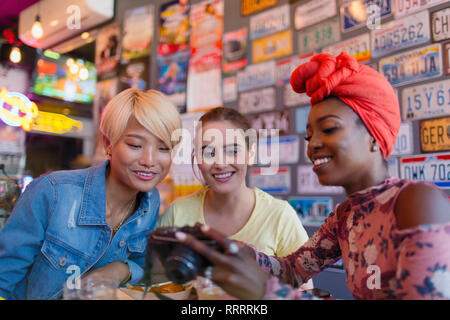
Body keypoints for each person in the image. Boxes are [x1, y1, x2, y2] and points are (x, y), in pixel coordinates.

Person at [173, 51, 450, 300]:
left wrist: (264, 292)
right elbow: (291, 270)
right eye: (309, 135)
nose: (313, 144)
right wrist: (228, 250)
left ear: (373, 137)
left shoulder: (416, 202)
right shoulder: (345, 216)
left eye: (329, 129)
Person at [0, 88, 182, 300]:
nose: (150, 160)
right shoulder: (52, 192)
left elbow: (142, 265)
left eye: (164, 148)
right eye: (135, 145)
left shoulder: (149, 203)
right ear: (108, 144)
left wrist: (121, 269)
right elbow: (4, 280)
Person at [156, 107, 312, 289]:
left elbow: (305, 291)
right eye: (209, 152)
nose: (220, 163)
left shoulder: (279, 215)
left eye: (232, 151)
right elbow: (156, 283)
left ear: (251, 153)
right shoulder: (177, 213)